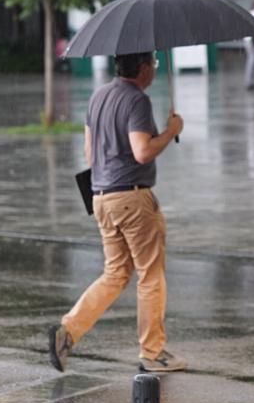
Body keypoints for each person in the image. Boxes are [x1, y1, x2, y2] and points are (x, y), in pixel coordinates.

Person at [48, 52, 187, 374]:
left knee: (116, 273)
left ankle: (67, 331)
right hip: (133, 199)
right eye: (152, 64)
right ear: (141, 68)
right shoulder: (137, 101)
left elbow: (89, 152)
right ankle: (153, 353)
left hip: (101, 198)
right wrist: (170, 131)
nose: (153, 69)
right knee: (150, 275)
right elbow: (141, 152)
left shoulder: (98, 96)